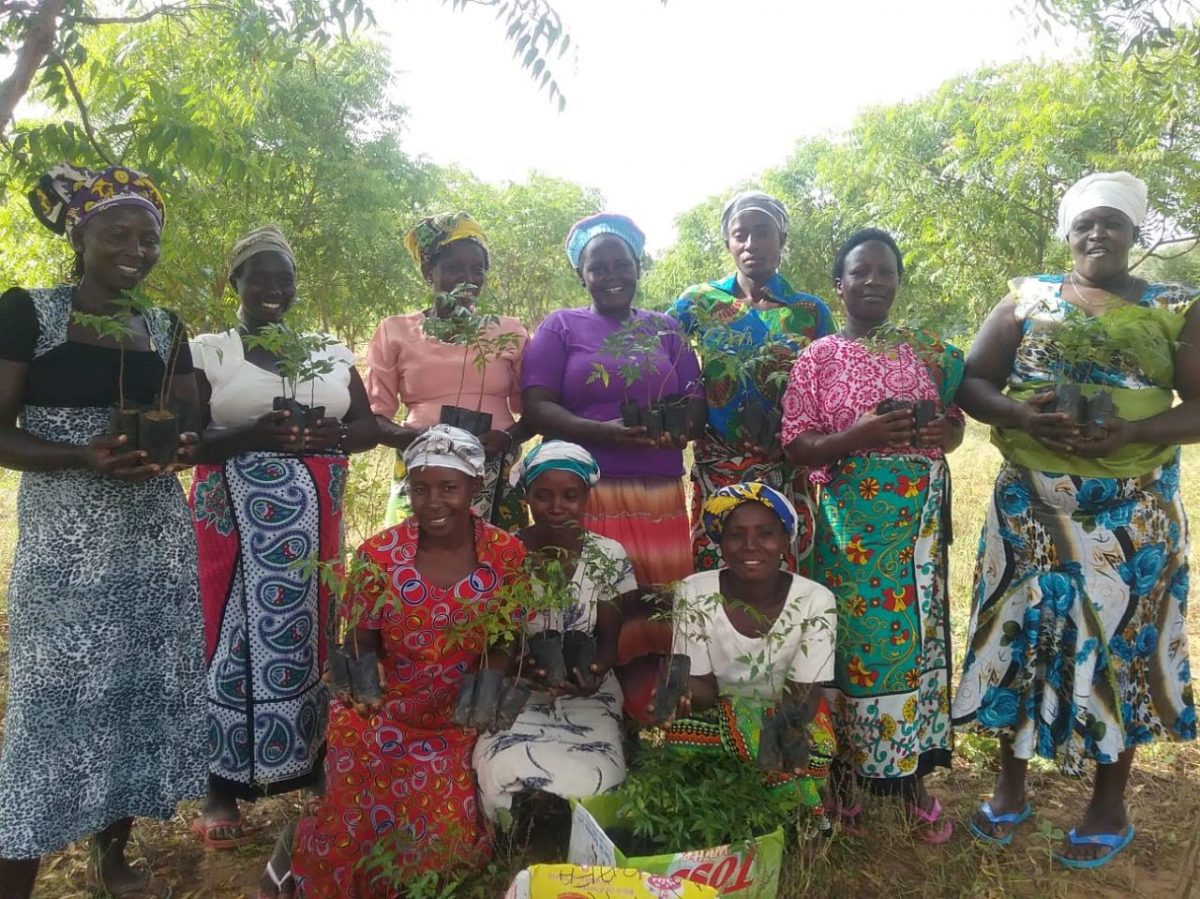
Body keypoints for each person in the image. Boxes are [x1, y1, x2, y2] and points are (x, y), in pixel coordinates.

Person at [951, 172, 1198, 868]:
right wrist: (1024, 415)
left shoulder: (1176, 304)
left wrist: (1124, 434)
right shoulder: (1027, 297)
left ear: (1135, 234)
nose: (1098, 234)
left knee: (1122, 640)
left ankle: (1108, 801)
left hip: (1133, 515)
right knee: (1020, 637)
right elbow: (972, 381)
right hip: (1029, 509)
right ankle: (1009, 787)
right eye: (1085, 223)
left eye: (1112, 223)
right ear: (1068, 232)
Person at [0, 164, 206, 899]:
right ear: (78, 231)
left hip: (154, 545)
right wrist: (81, 456)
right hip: (65, 558)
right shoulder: (30, 311)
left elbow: (193, 423)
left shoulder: (164, 326)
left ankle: (112, 855)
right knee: (44, 714)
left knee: (136, 699)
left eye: (148, 237)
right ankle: (17, 873)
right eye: (117, 231)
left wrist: (184, 445)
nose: (135, 247)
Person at [187, 225, 378, 848]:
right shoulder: (210, 351)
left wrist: (337, 437)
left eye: (284, 278)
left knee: (310, 627)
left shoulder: (326, 350)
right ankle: (220, 786)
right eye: (260, 276)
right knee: (226, 636)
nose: (273, 288)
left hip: (315, 519)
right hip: (233, 522)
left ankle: (315, 760)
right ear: (234, 282)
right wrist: (259, 435)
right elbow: (188, 437)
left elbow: (365, 426)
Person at [287, 426, 525, 897]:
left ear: (476, 487)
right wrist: (366, 669)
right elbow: (360, 636)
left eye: (448, 488)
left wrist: (491, 680)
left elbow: (506, 636)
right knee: (353, 810)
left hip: (455, 719)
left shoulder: (505, 553)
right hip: (385, 713)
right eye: (420, 488)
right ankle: (301, 854)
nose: (433, 501)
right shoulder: (380, 554)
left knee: (440, 846)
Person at [781, 228, 963, 842]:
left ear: (897, 282)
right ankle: (846, 776)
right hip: (848, 529)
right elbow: (797, 442)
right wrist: (857, 435)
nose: (874, 282)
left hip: (916, 532)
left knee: (914, 642)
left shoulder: (924, 352)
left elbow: (957, 422)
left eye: (885, 272)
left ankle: (910, 775)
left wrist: (948, 435)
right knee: (856, 645)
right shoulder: (819, 356)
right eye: (860, 272)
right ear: (839, 284)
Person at [521, 213, 703, 717]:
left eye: (620, 263)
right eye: (597, 266)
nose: (611, 274)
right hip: (586, 494)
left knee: (656, 605)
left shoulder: (665, 329)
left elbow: (695, 402)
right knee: (594, 607)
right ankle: (593, 713)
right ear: (583, 274)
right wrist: (603, 433)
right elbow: (537, 406)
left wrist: (676, 429)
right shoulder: (561, 326)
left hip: (657, 493)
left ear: (638, 265)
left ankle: (650, 720)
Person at [669, 191, 833, 575]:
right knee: (715, 568)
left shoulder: (809, 311)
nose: (751, 244)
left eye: (763, 233)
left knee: (784, 572)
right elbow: (662, 356)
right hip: (717, 464)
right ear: (727, 241)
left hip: (787, 465)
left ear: (782, 240)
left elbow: (831, 382)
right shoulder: (698, 302)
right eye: (740, 234)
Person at [473, 441, 636, 824]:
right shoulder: (507, 553)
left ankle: (566, 819)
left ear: (587, 497)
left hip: (589, 691)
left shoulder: (607, 555)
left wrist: (593, 673)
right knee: (495, 765)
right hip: (521, 690)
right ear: (527, 496)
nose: (556, 506)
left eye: (570, 496)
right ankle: (523, 820)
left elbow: (610, 642)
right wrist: (521, 670)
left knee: (603, 770)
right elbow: (499, 638)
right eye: (543, 495)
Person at [662, 483, 838, 820]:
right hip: (717, 711)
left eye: (765, 533)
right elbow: (702, 686)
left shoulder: (815, 600)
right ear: (721, 544)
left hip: (789, 714)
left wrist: (772, 736)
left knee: (809, 753)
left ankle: (782, 813)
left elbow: (804, 693)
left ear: (786, 541)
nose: (750, 546)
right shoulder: (694, 591)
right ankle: (733, 809)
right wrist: (682, 694)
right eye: (736, 535)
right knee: (684, 733)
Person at [366, 212, 528, 529]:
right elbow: (374, 417)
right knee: (417, 566)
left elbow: (535, 409)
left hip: (495, 471)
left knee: (497, 563)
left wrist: (505, 439)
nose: (468, 278)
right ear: (429, 271)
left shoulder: (510, 332)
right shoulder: (395, 331)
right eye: (454, 268)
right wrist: (419, 438)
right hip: (423, 471)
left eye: (477, 269)